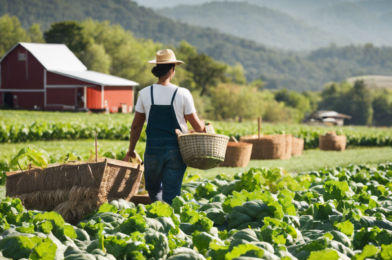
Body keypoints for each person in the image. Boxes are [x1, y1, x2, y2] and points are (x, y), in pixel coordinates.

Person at [123, 49, 205, 205]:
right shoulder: (183, 93)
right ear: (173, 69)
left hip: (152, 151)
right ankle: (168, 223)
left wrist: (131, 150)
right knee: (172, 194)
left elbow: (136, 126)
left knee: (154, 192)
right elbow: (198, 127)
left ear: (157, 69)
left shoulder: (144, 93)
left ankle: (158, 220)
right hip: (176, 151)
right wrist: (204, 126)